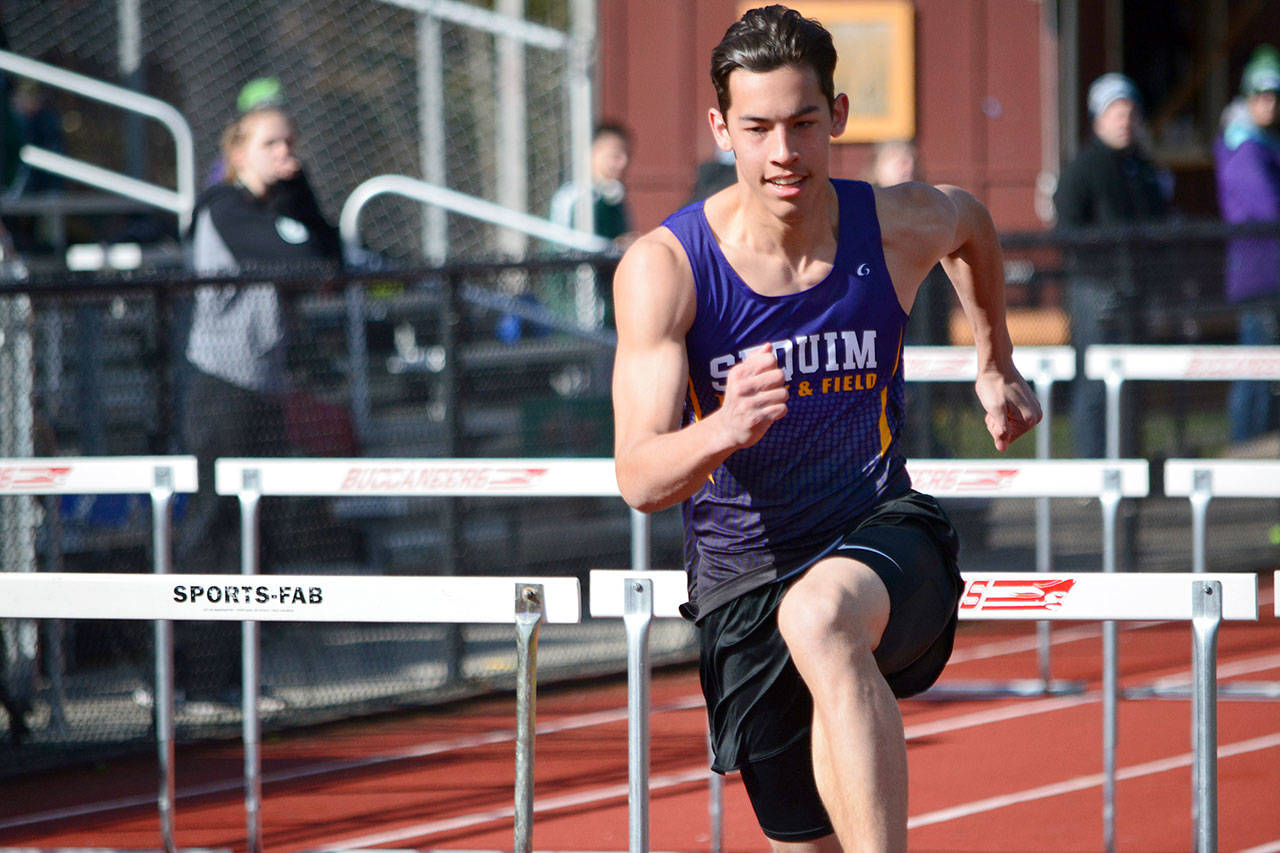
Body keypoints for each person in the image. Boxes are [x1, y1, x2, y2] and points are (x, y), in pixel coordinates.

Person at [610, 6, 1041, 850]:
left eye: (804, 125)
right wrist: (723, 428)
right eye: (759, 128)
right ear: (720, 128)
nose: (783, 154)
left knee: (821, 614)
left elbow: (972, 226)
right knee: (804, 840)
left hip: (884, 534)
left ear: (837, 117)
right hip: (744, 580)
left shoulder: (888, 225)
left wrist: (996, 359)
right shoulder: (667, 269)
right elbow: (638, 477)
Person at [175, 105, 340, 708]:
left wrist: (301, 187)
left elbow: (329, 256)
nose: (285, 152)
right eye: (271, 143)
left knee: (260, 530)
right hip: (221, 387)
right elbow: (299, 262)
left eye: (291, 142)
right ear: (238, 152)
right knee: (216, 530)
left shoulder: (278, 206)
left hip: (265, 386)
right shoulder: (223, 209)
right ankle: (197, 680)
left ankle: (239, 677)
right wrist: (295, 220)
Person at [1053, 72, 1171, 458]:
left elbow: (1158, 225)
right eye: (1116, 112)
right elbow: (1067, 230)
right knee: (1095, 383)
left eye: (1130, 112)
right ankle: (1093, 470)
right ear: (1097, 118)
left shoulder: (1142, 168)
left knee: (1133, 383)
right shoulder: (1082, 169)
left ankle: (1129, 464)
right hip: (1094, 292)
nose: (1125, 120)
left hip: (1137, 291)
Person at [1215, 45, 1280, 443]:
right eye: (1262, 96)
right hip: (1257, 274)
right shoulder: (1245, 147)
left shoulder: (1264, 144)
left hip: (1268, 272)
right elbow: (1267, 207)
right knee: (1255, 367)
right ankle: (1244, 448)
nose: (1269, 104)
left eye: (1275, 97)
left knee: (1267, 367)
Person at [549, 121, 636, 247]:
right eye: (615, 155)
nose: (623, 162)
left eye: (627, 155)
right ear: (593, 153)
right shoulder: (573, 196)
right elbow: (560, 247)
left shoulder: (614, 198)